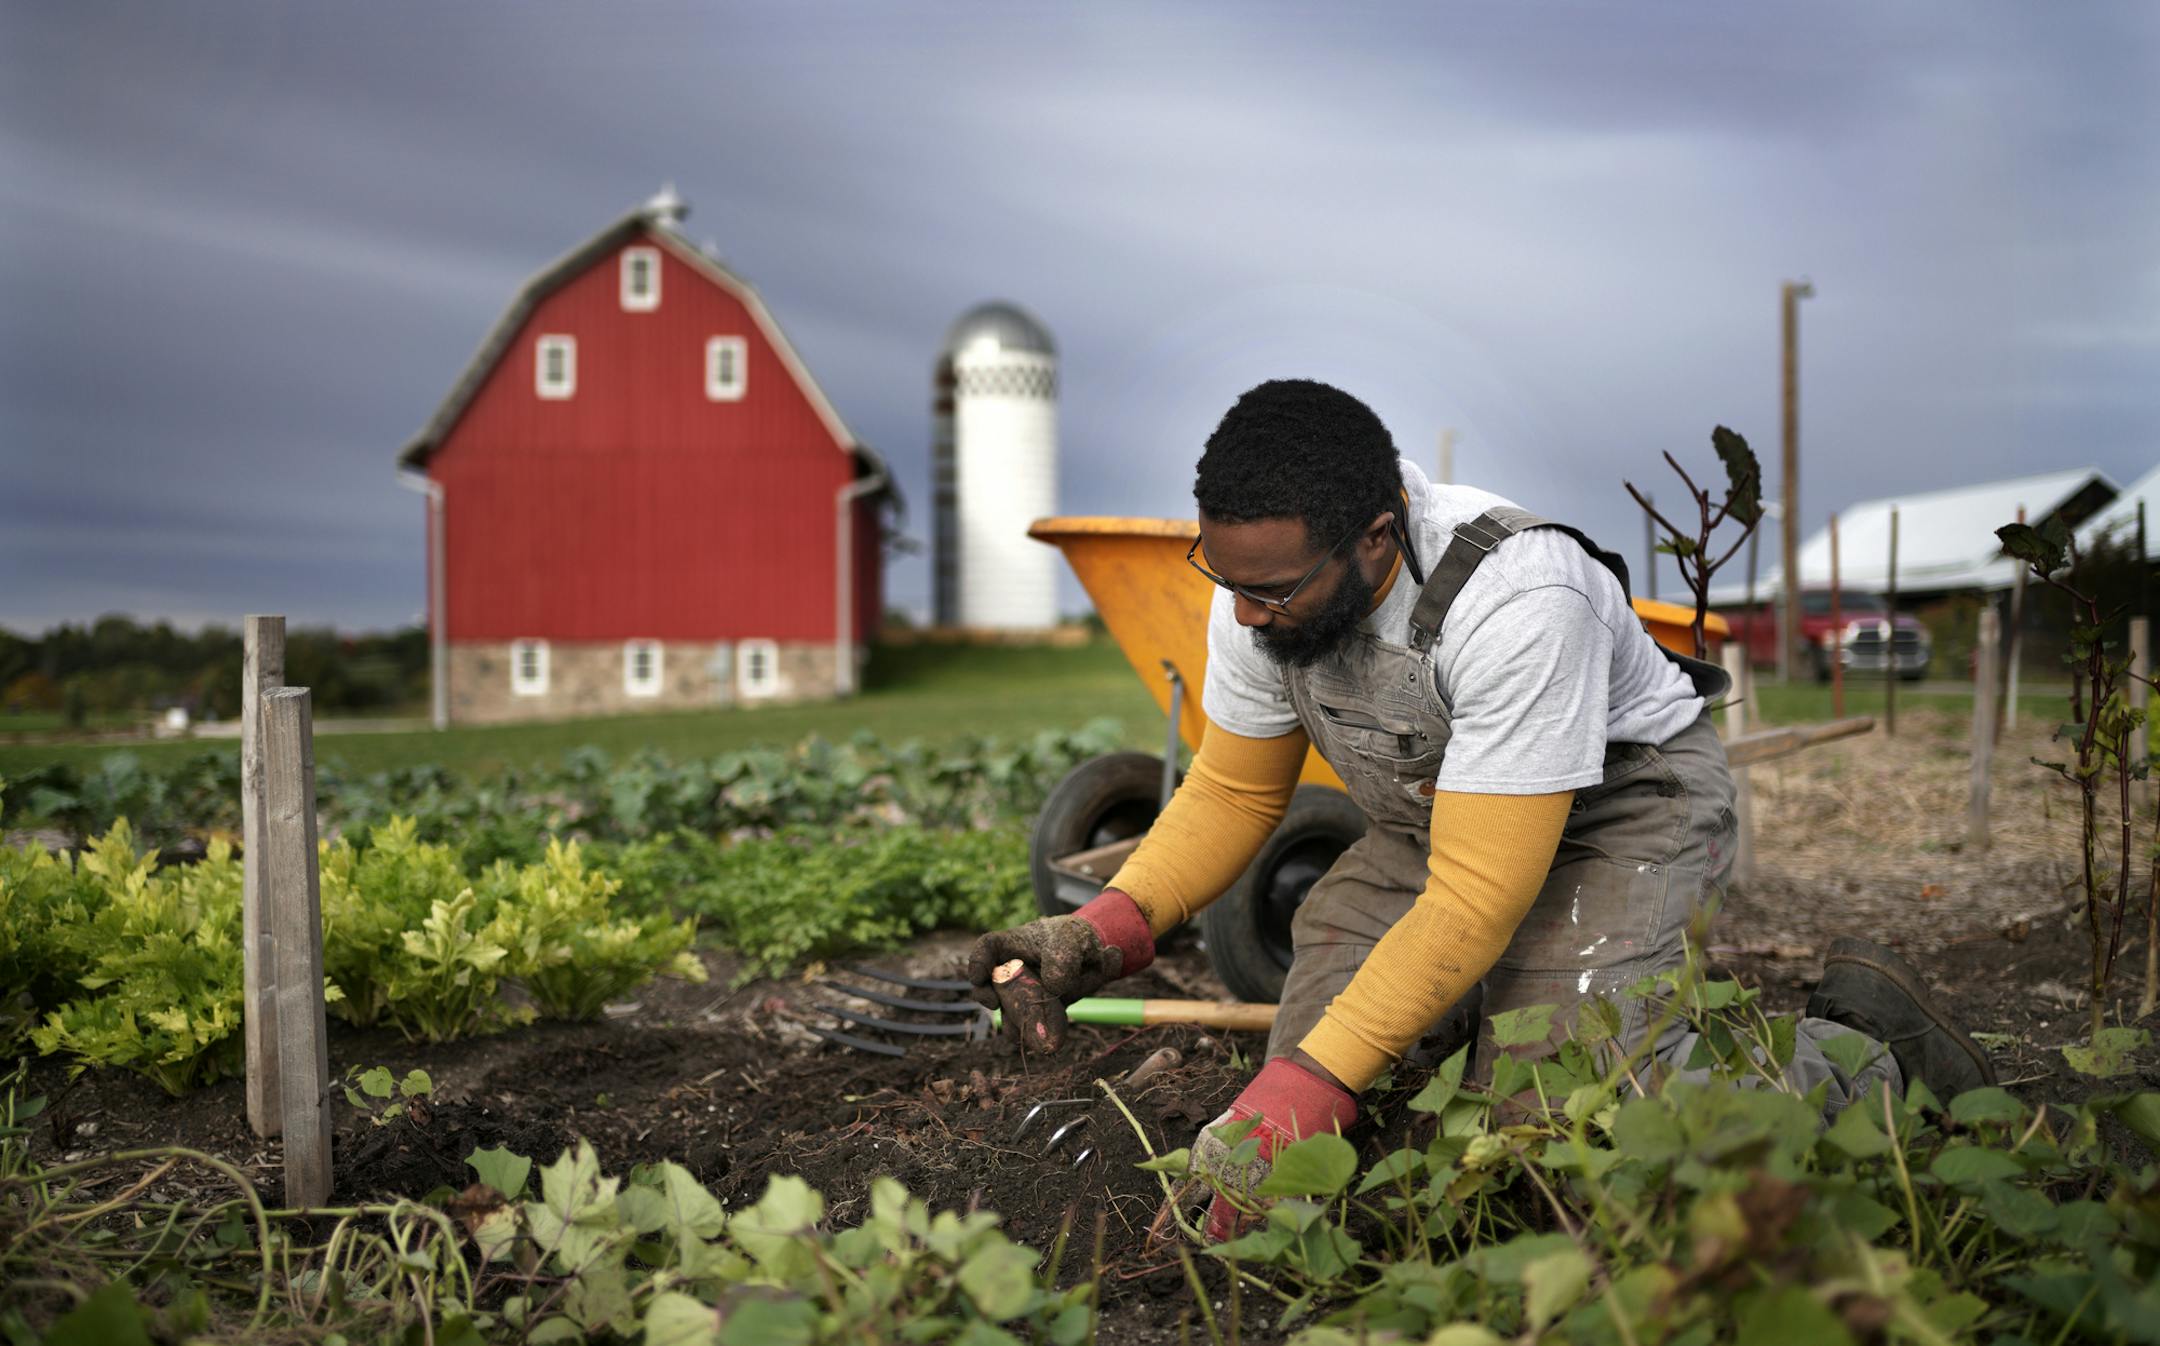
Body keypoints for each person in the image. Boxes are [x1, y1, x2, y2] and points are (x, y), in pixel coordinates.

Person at [969, 379, 1994, 1237]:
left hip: (1625, 804)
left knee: (1580, 1106)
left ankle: (1870, 1056)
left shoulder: (1516, 594)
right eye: (1226, 578)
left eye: (1273, 589)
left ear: (1376, 536)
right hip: (1442, 818)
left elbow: (1476, 890)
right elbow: (1236, 787)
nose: (1243, 612)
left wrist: (1310, 1085)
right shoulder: (1256, 587)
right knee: (1335, 1059)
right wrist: (1106, 928)